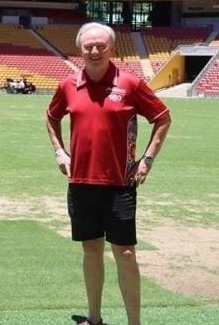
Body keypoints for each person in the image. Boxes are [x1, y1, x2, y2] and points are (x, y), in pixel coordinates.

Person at [46, 22, 171, 325]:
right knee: (91, 250)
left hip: (120, 183)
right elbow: (52, 117)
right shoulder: (67, 86)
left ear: (112, 49)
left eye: (101, 45)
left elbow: (163, 118)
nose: (94, 50)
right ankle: (94, 318)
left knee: (125, 253)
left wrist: (148, 159)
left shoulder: (130, 84)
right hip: (81, 183)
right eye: (88, 46)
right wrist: (60, 152)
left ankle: (134, 322)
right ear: (80, 50)